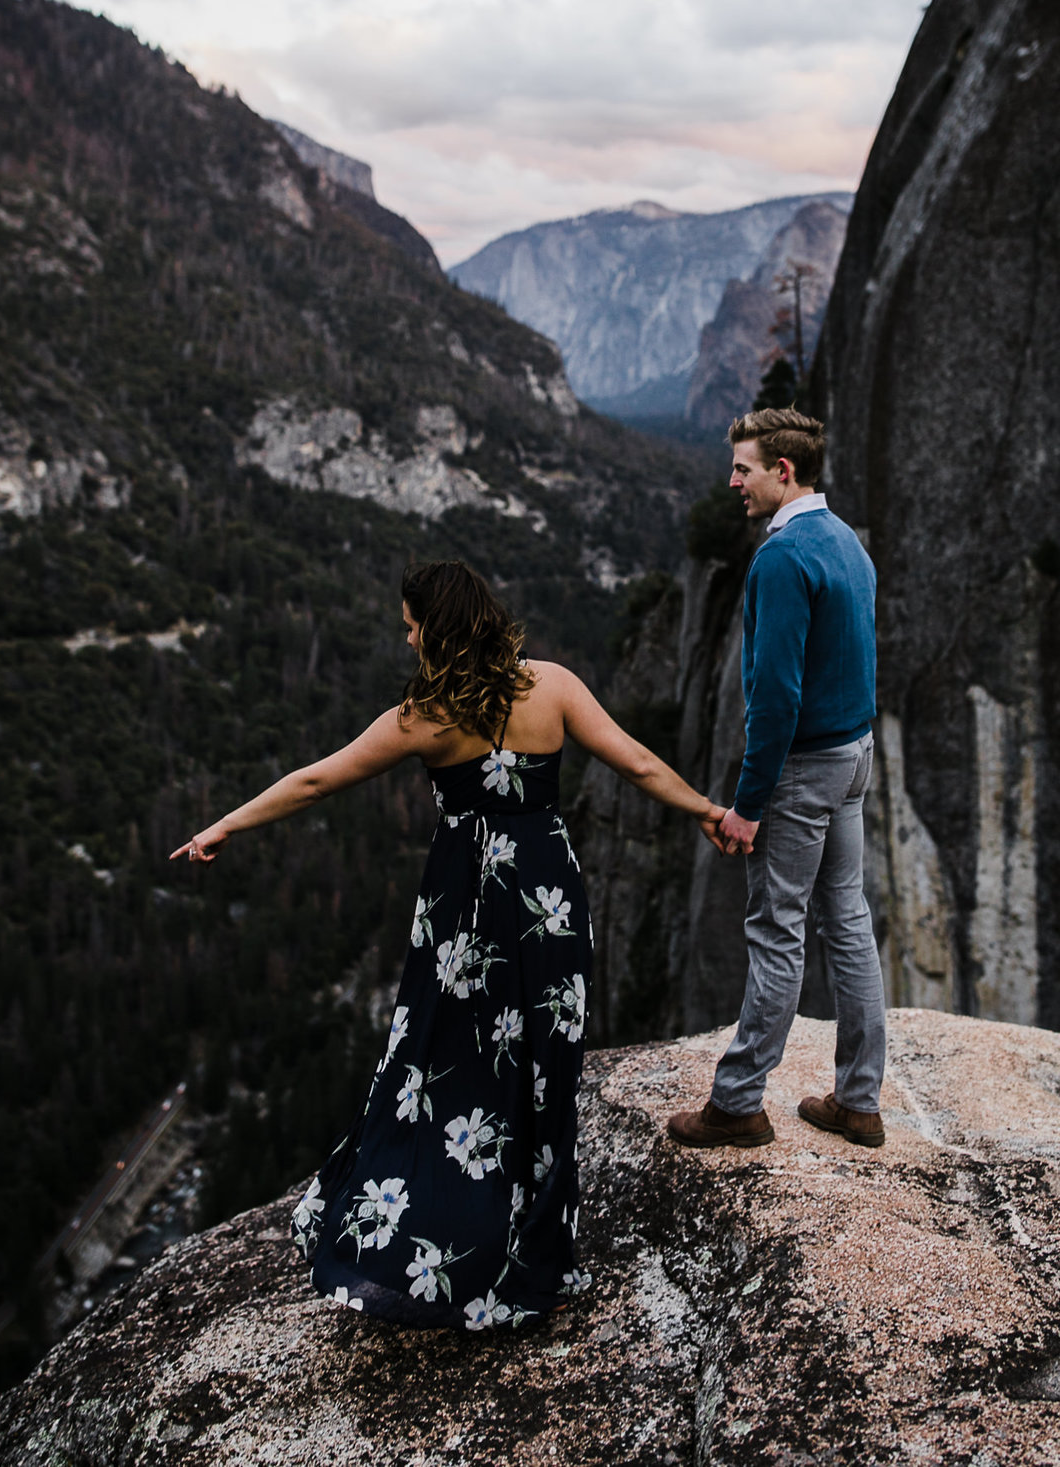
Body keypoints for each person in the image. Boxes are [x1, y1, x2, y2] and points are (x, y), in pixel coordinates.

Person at [175, 560, 722, 1328]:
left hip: (464, 921)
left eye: (410, 624)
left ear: (438, 629)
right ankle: (540, 1251)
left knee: (439, 1066)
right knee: (544, 1065)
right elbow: (635, 761)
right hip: (548, 904)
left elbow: (315, 782)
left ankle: (430, 1235)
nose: (405, 636)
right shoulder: (555, 686)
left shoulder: (425, 715)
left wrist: (225, 824)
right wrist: (708, 811)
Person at [668, 407, 884, 1152]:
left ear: (783, 471)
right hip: (854, 756)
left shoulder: (782, 558)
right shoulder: (849, 544)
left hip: (801, 772)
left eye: (744, 468)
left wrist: (749, 807)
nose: (733, 481)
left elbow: (775, 696)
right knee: (849, 922)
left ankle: (737, 1104)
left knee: (776, 932)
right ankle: (859, 1101)